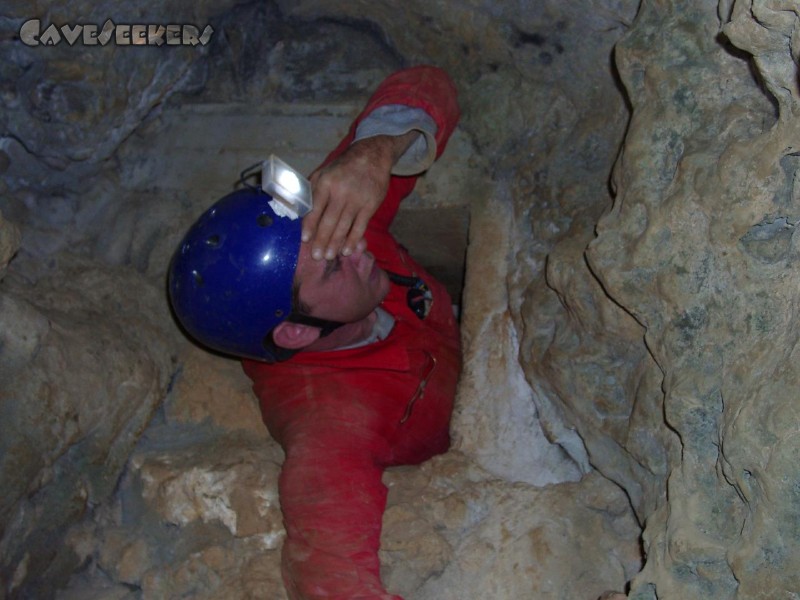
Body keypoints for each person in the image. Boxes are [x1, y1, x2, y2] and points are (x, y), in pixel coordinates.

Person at [169, 66, 461, 599]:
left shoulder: (330, 232)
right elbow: (330, 582)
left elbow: (431, 83)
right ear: (297, 335)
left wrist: (371, 154)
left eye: (334, 233)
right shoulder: (331, 425)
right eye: (332, 267)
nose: (355, 245)